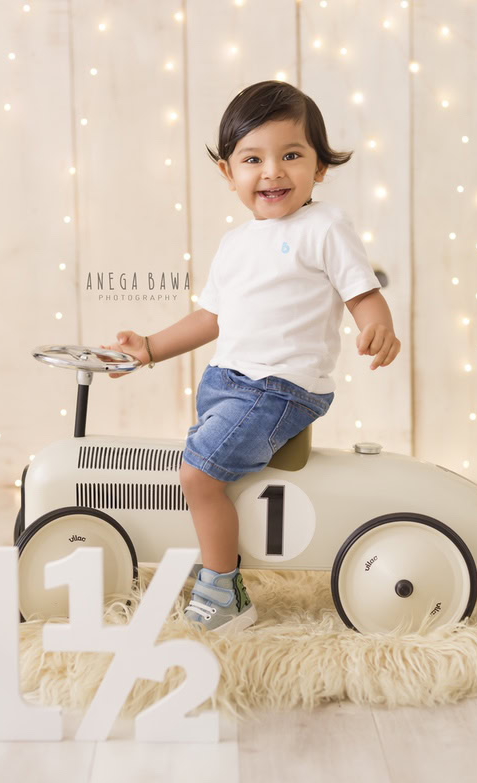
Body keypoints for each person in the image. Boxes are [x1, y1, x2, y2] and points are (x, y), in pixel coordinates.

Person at [102, 80, 400, 634]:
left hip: (281, 387)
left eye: (292, 155)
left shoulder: (324, 227)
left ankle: (223, 589)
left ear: (320, 167)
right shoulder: (236, 245)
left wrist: (377, 326)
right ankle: (209, 553)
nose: (273, 172)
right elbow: (211, 318)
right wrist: (149, 349)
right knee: (202, 470)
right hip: (226, 382)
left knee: (196, 476)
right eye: (253, 159)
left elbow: (362, 292)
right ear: (228, 172)